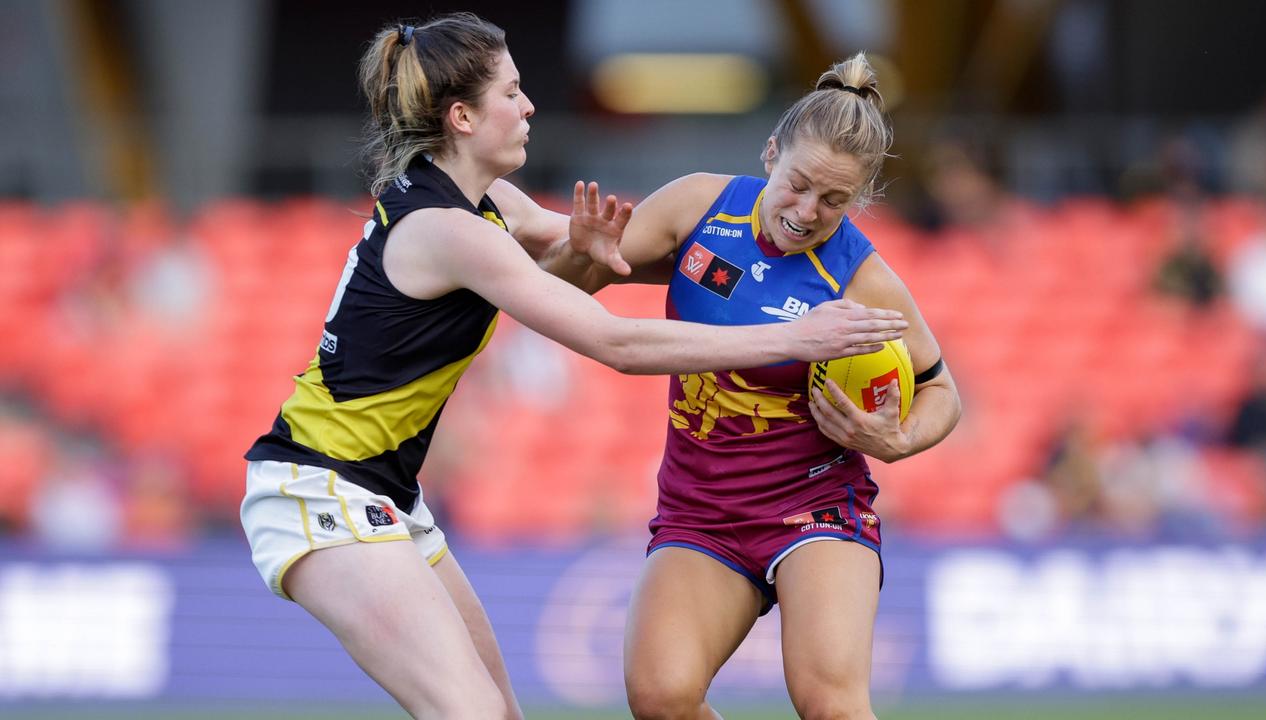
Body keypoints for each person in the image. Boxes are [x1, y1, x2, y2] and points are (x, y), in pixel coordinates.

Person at [238, 15, 908, 720]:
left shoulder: (483, 203)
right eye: (512, 92)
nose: (529, 106)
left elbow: (598, 254)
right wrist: (794, 337)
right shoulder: (447, 229)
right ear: (463, 117)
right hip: (320, 489)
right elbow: (615, 344)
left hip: (382, 492)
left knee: (499, 713)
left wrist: (597, 249)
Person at [547, 53, 961, 719]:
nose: (806, 212)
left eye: (835, 201)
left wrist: (900, 437)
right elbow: (572, 288)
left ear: (860, 201)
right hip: (698, 513)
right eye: (798, 184)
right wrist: (577, 252)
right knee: (660, 698)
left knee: (829, 703)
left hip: (816, 509)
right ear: (771, 154)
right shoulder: (698, 207)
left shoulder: (863, 278)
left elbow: (943, 390)